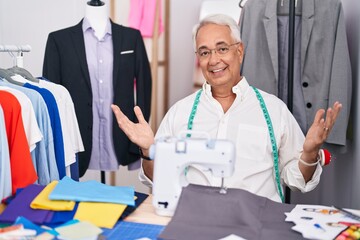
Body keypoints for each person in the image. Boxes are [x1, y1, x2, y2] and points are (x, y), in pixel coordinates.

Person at [111, 14, 342, 202]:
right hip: (196, 227)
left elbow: (297, 180)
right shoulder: (179, 113)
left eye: (222, 49)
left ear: (239, 51)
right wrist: (147, 150)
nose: (213, 60)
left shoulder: (274, 111)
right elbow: (158, 179)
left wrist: (310, 152)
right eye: (204, 52)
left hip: (255, 229)